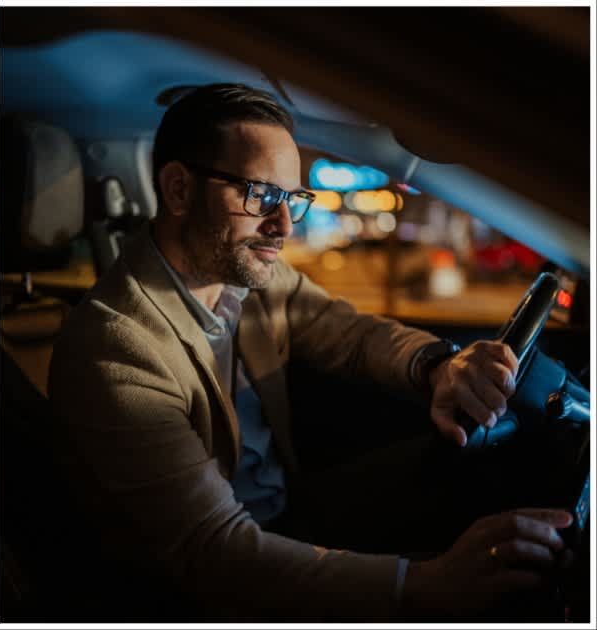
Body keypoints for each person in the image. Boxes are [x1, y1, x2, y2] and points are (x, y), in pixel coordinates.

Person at [47, 83, 573, 621]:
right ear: (179, 190)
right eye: (261, 196)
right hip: (201, 590)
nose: (284, 226)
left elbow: (345, 332)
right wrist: (420, 586)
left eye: (292, 199)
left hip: (285, 512)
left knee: (465, 473)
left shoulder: (247, 277)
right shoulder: (116, 349)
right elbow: (214, 554)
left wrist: (438, 366)